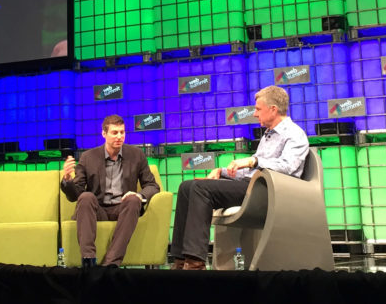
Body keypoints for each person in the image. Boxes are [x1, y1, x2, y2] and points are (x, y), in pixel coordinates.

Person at [169, 85, 309, 270]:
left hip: (268, 191)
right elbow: (252, 169)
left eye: (258, 109)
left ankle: (195, 262)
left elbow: (288, 167)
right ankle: (179, 260)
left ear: (273, 109)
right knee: (187, 186)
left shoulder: (295, 134)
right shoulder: (268, 134)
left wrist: (253, 160)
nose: (255, 114)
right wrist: (222, 171)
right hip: (251, 185)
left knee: (200, 190)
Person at [61, 115, 160, 268]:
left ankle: (111, 264)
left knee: (134, 200)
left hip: (123, 208)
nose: (119, 136)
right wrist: (67, 180)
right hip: (98, 209)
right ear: (104, 134)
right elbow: (76, 195)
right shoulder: (88, 157)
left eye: (122, 132)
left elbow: (152, 186)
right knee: (86, 197)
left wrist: (139, 195)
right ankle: (88, 261)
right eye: (115, 133)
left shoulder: (136, 155)